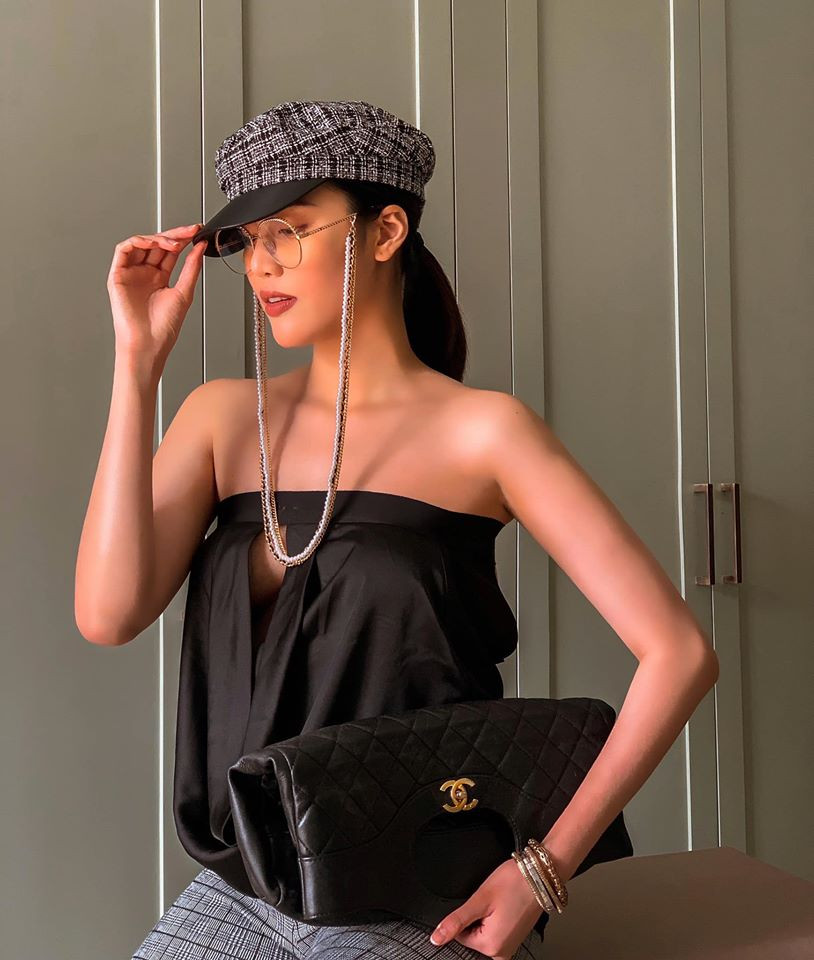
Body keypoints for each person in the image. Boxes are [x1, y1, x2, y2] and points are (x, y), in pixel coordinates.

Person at [75, 99, 718, 959]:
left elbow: (680, 653)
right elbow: (108, 615)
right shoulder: (221, 418)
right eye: (250, 240)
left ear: (384, 232)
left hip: (424, 881)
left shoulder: (484, 432)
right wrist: (136, 364)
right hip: (251, 878)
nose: (262, 263)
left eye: (290, 229)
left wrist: (543, 870)